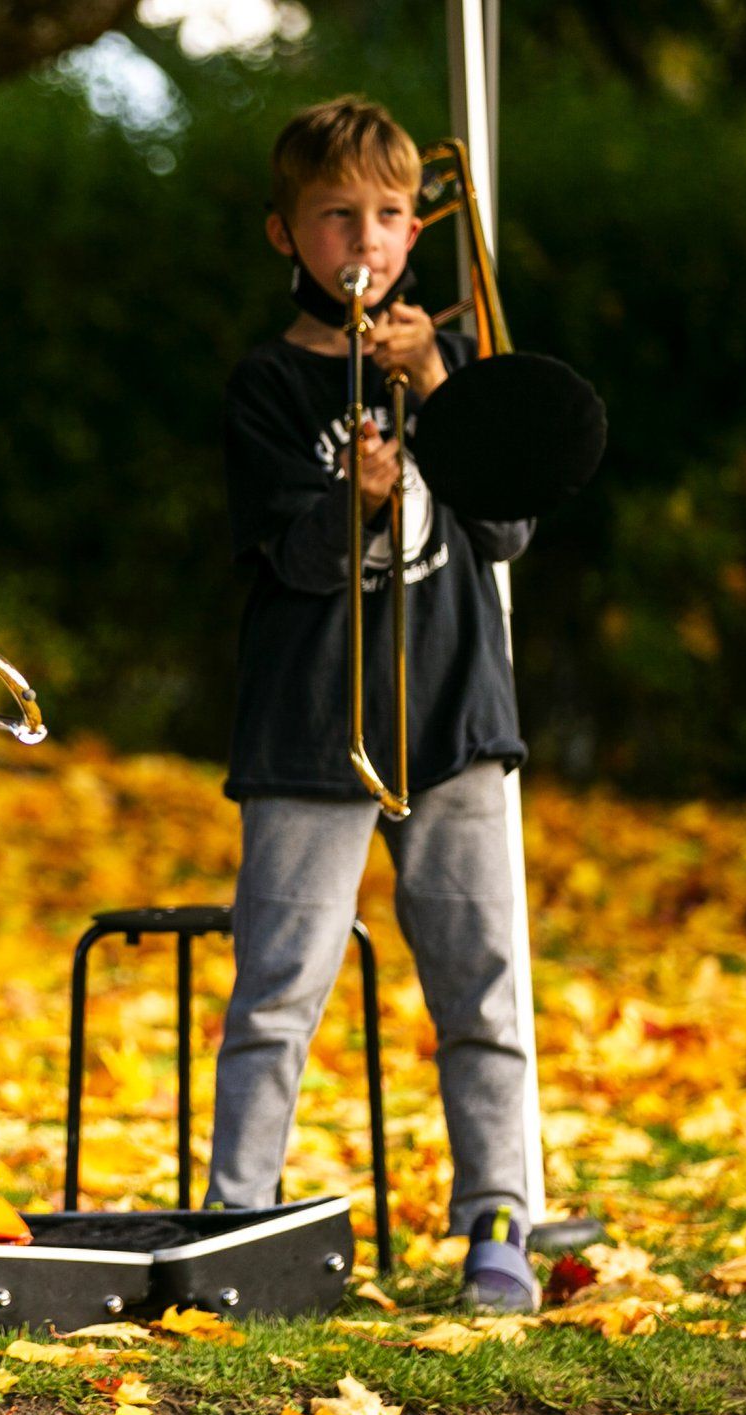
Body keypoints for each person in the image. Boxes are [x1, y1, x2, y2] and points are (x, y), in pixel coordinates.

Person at [208, 96, 541, 1311]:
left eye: (390, 216)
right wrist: (359, 496)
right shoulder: (267, 384)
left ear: (418, 229)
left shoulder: (447, 363)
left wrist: (441, 385)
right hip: (311, 723)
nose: (368, 239)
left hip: (454, 710)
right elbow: (287, 561)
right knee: (279, 985)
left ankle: (498, 1220)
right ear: (285, 235)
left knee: (480, 978)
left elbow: (504, 526)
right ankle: (239, 1227)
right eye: (337, 216)